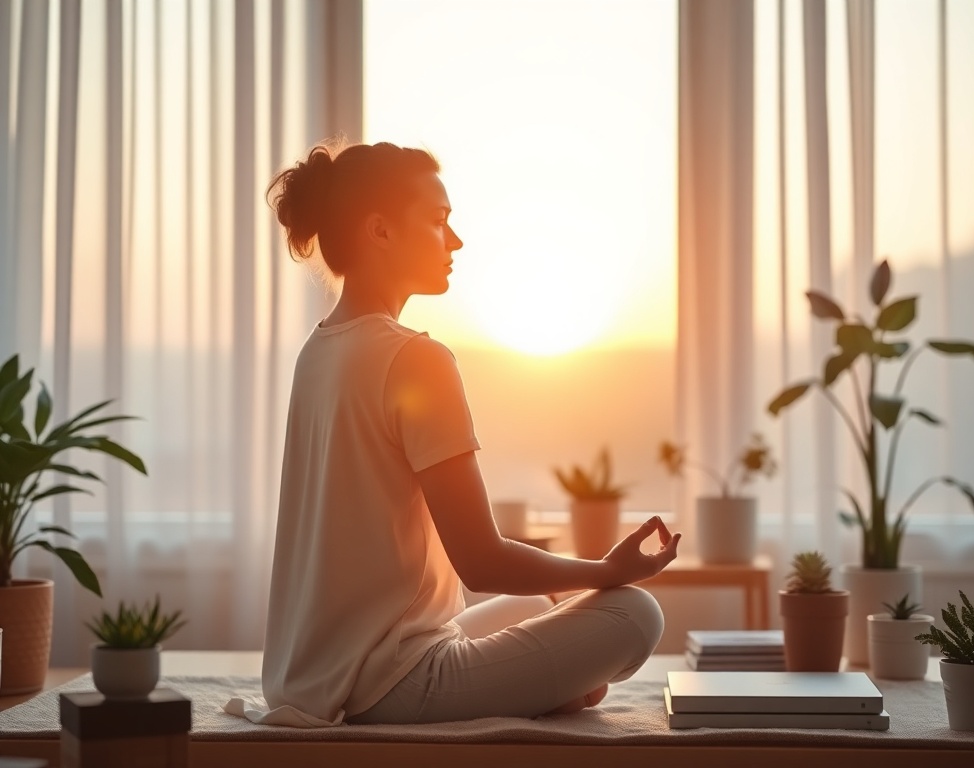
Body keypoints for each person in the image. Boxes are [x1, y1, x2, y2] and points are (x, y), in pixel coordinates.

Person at [255, 140, 681, 727]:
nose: (454, 240)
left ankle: (542, 687)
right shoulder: (415, 359)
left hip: (311, 677)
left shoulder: (319, 349)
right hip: (388, 685)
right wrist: (606, 571)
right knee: (636, 614)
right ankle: (544, 689)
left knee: (538, 604)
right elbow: (482, 562)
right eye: (438, 220)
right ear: (380, 231)